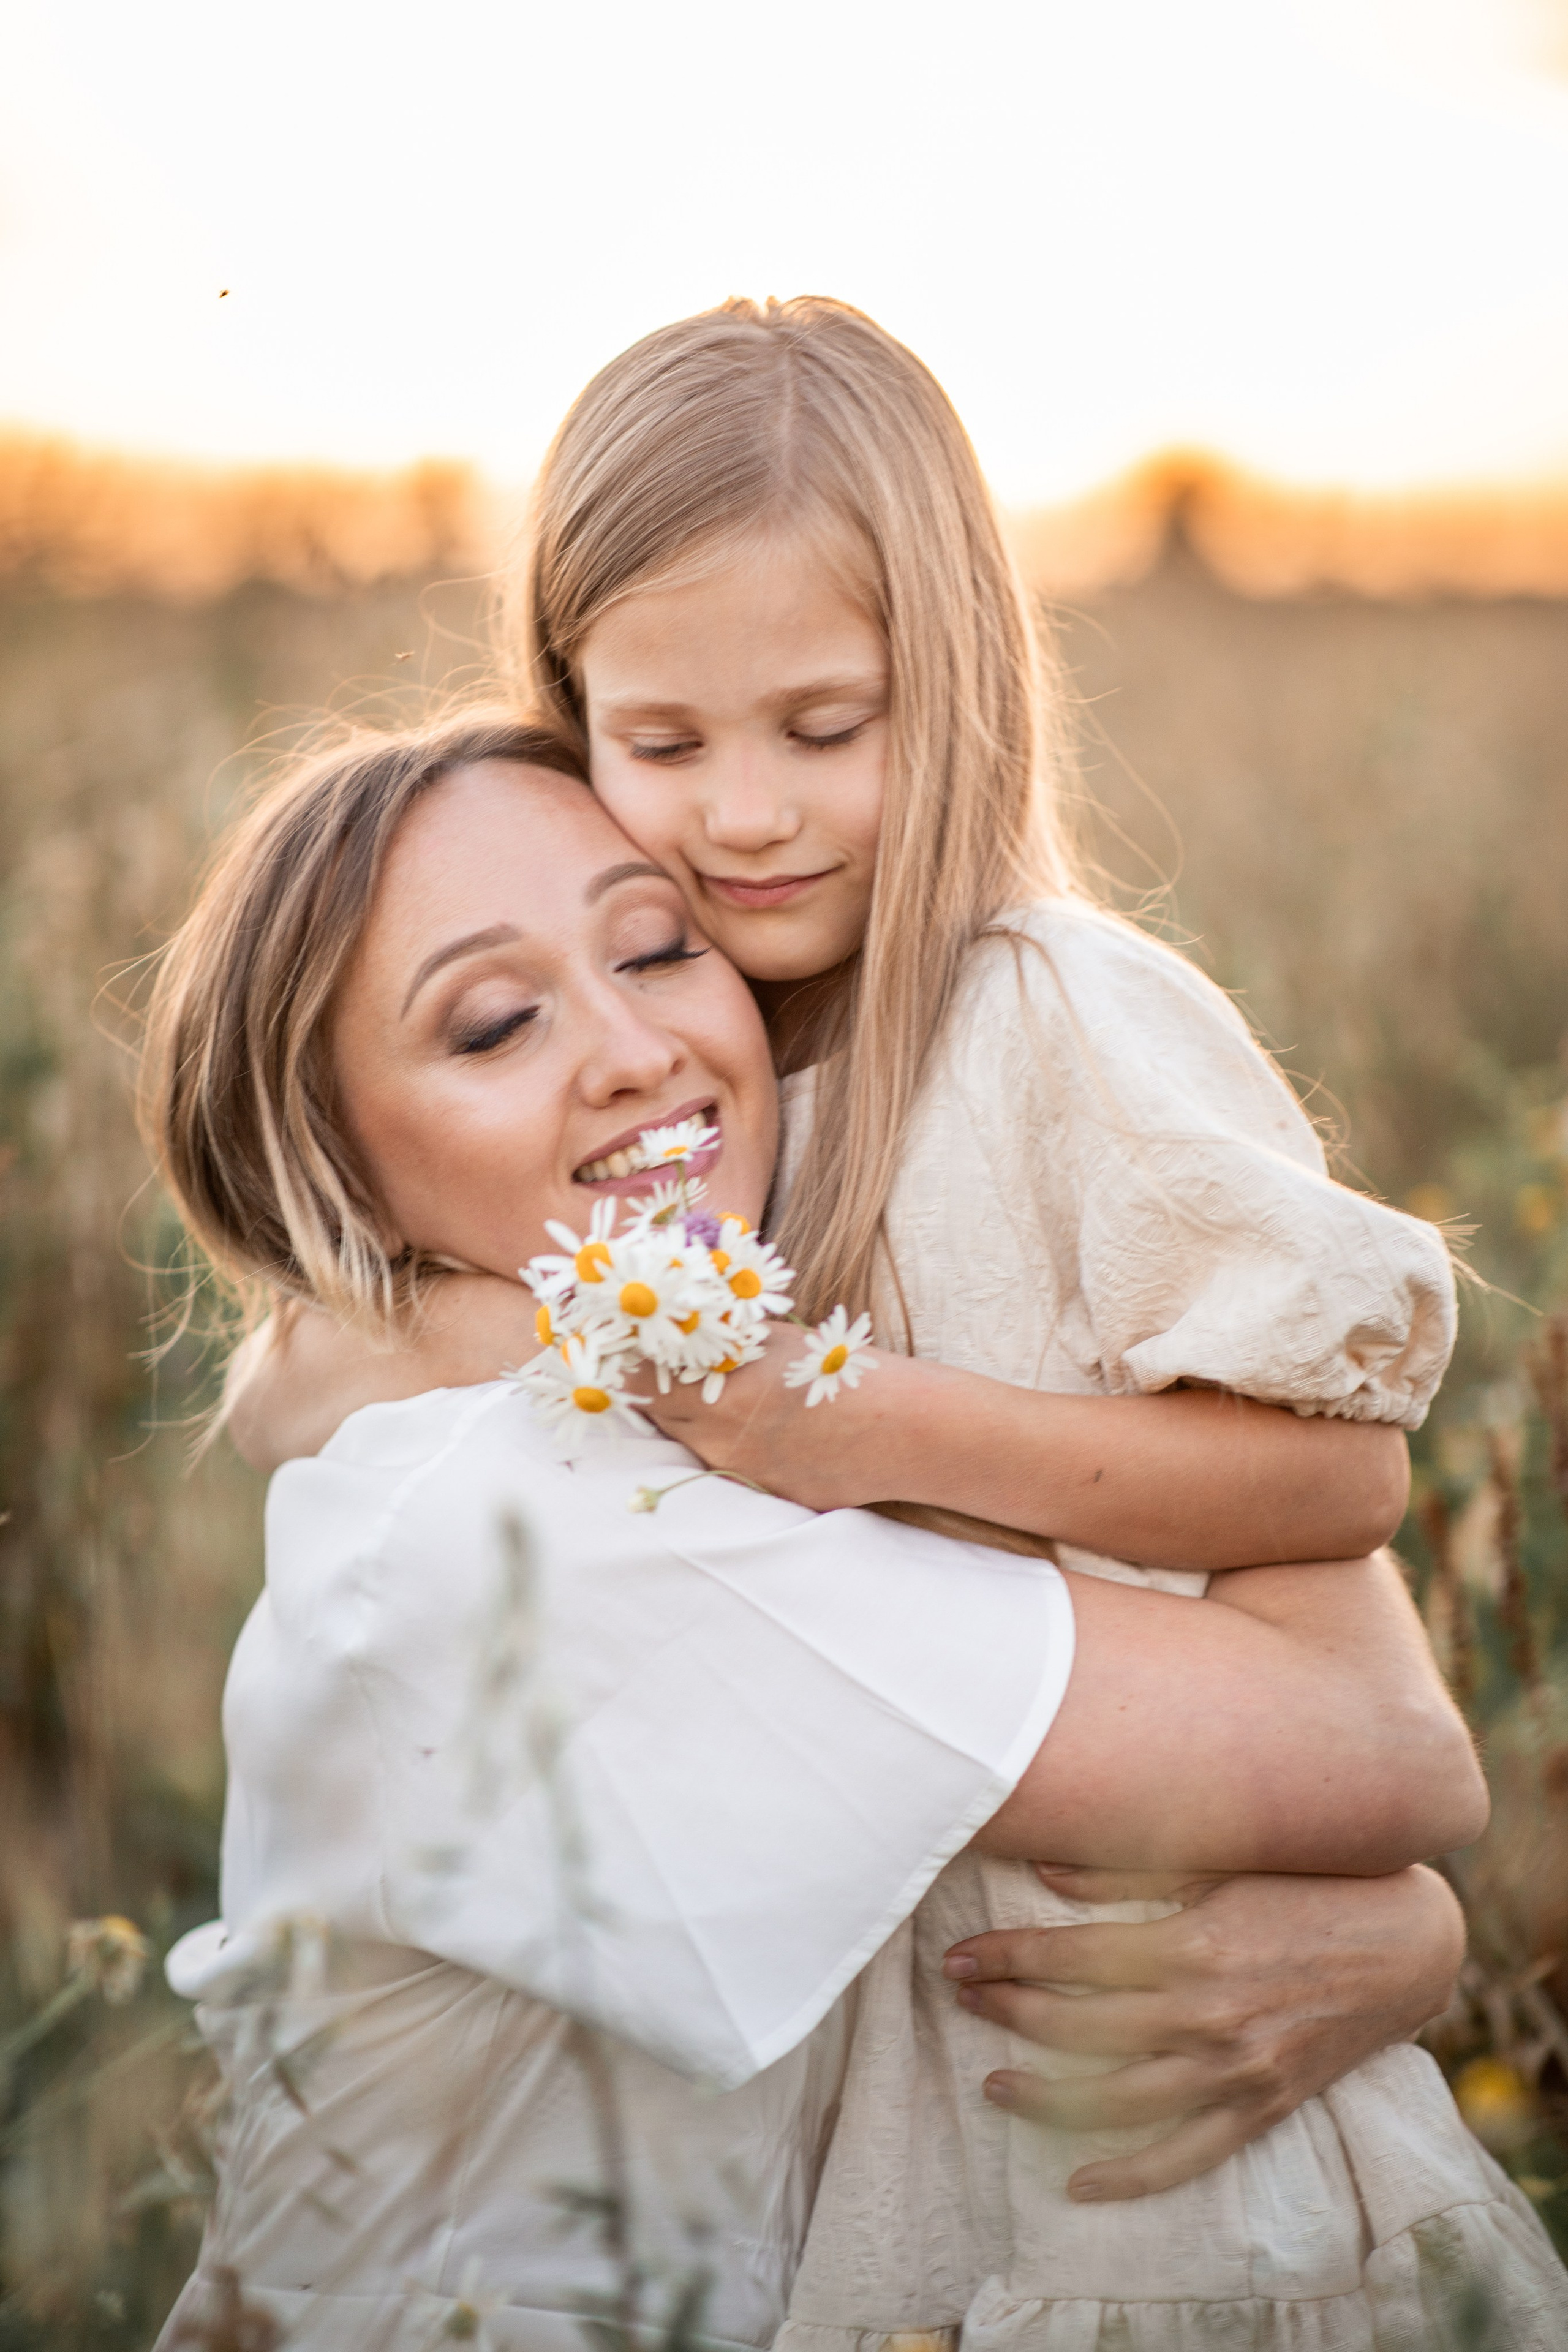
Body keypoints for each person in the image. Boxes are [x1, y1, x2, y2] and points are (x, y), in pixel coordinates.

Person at [143, 720, 1544, 2349]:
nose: (633, 1048)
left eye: (661, 945)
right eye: (496, 1021)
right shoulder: (538, 1532)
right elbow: (1386, 1750)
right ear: (335, 1170)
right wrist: (1413, 1918)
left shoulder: (612, 1433)